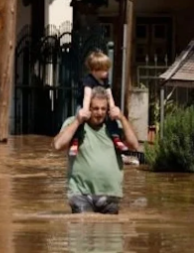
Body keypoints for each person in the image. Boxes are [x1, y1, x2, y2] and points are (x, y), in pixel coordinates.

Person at [52, 86, 139, 214]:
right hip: (81, 194)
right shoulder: (74, 124)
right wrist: (78, 120)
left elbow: (134, 145)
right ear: (88, 108)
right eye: (95, 108)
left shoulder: (115, 127)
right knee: (82, 229)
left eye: (103, 109)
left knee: (110, 232)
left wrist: (121, 117)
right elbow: (58, 145)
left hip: (110, 195)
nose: (99, 113)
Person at [69, 50, 128, 157]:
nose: (107, 72)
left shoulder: (105, 81)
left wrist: (113, 108)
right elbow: (87, 96)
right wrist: (85, 110)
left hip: (100, 105)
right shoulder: (88, 80)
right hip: (85, 105)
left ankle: (116, 137)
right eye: (104, 70)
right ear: (95, 70)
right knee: (79, 119)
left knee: (111, 118)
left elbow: (109, 95)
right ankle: (75, 141)